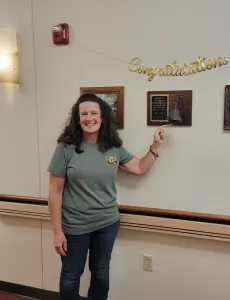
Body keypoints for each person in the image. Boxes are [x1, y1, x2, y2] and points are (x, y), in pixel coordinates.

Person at [47, 93, 164, 300]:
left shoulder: (113, 147)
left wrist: (154, 147)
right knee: (71, 276)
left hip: (107, 223)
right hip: (74, 226)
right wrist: (58, 232)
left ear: (102, 119)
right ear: (78, 118)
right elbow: (54, 192)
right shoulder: (65, 148)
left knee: (101, 273)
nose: (89, 118)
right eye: (84, 114)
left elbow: (138, 167)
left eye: (94, 113)